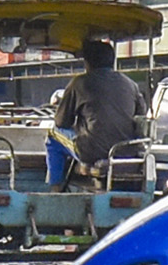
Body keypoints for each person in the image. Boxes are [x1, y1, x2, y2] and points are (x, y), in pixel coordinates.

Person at [53, 36, 144, 177]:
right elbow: (140, 117)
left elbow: (61, 122)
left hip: (92, 151)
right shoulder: (131, 84)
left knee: (53, 134)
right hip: (126, 150)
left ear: (87, 63)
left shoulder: (79, 83)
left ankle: (55, 184)